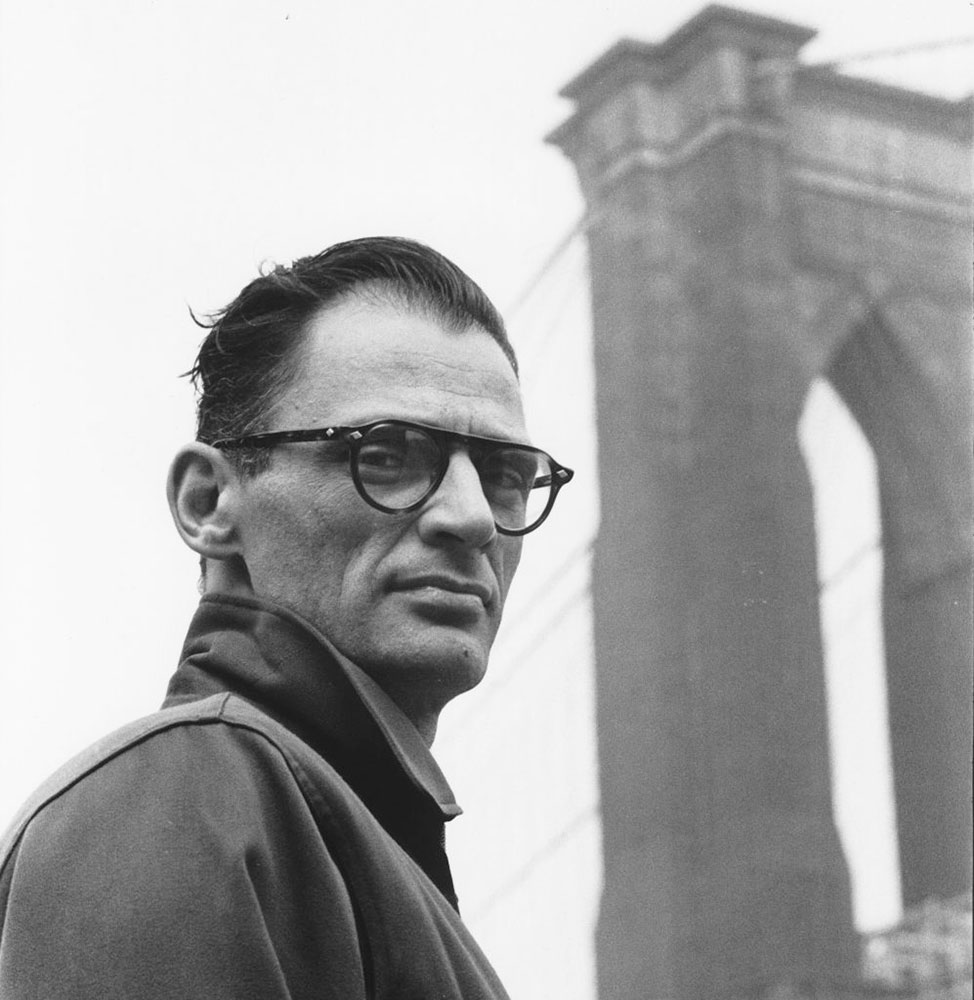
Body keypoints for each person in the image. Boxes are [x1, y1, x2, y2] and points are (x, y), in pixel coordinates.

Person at [0, 237, 574, 999]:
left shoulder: (305, 830)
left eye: (504, 474)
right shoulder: (182, 799)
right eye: (386, 454)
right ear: (208, 502)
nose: (471, 517)